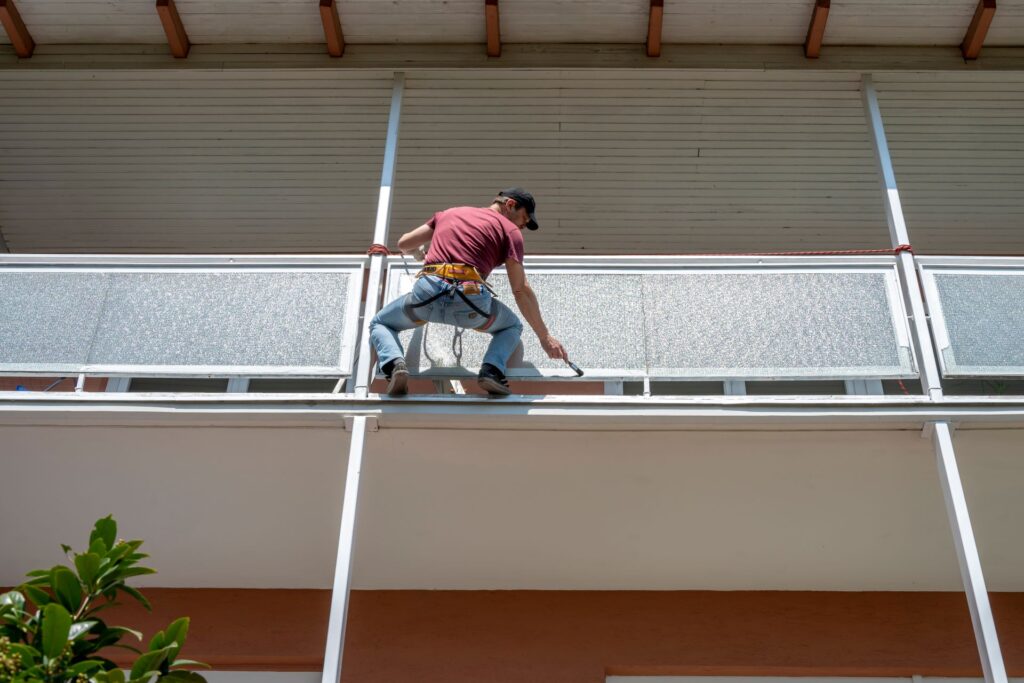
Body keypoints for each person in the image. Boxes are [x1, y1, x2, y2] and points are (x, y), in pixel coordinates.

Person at [369, 188, 569, 397]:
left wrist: (419, 254)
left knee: (381, 323)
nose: (523, 226)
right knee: (512, 326)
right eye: (524, 219)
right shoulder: (510, 231)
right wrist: (544, 337)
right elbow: (520, 289)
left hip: (427, 296)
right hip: (470, 301)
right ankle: (492, 371)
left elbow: (404, 243)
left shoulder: (449, 214)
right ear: (510, 205)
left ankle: (394, 365)